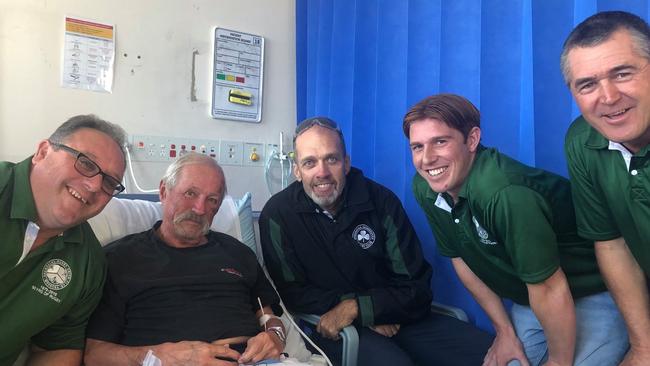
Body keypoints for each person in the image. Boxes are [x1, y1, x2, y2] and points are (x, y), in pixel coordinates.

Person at [404, 94, 628, 366]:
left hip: (594, 292)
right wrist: (504, 331)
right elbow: (461, 258)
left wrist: (558, 362)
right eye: (417, 147)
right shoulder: (427, 186)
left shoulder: (504, 193)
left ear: (472, 139)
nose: (427, 159)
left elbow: (549, 287)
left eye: (440, 141)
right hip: (534, 298)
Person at [259, 116, 493, 366]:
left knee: (491, 355)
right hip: (334, 327)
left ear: (346, 163)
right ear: (297, 171)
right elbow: (293, 294)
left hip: (398, 317)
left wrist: (361, 309)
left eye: (332, 159)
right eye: (309, 163)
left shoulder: (381, 202)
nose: (322, 172)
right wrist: (359, 313)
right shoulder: (278, 215)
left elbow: (416, 286)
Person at [84, 152, 286, 366]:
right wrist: (157, 357)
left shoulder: (238, 252)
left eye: (212, 200)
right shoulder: (120, 259)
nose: (199, 209)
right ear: (164, 191)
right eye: (190, 193)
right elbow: (94, 355)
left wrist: (276, 336)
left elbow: (268, 317)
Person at [0, 115, 127, 365]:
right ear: (43, 151)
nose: (94, 186)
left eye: (110, 182)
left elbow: (56, 349)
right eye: (87, 164)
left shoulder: (88, 263)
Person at [561, 10, 650, 366]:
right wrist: (643, 346)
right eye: (587, 84)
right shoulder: (582, 141)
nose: (608, 97)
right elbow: (611, 243)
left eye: (623, 73)